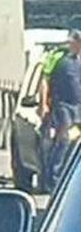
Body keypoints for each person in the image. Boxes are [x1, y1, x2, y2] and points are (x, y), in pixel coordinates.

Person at [44, 30, 81, 191]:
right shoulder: (59, 58)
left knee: (75, 143)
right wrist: (43, 105)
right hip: (63, 106)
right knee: (63, 140)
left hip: (78, 107)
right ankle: (53, 178)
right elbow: (45, 80)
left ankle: (70, 177)